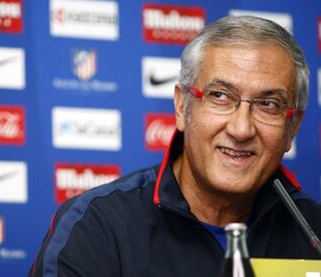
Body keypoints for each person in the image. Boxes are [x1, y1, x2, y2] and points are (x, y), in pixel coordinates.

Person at [29, 15, 321, 276]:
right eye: (220, 96)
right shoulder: (97, 226)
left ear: (293, 126)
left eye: (268, 104)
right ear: (182, 106)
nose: (241, 128)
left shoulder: (314, 230)